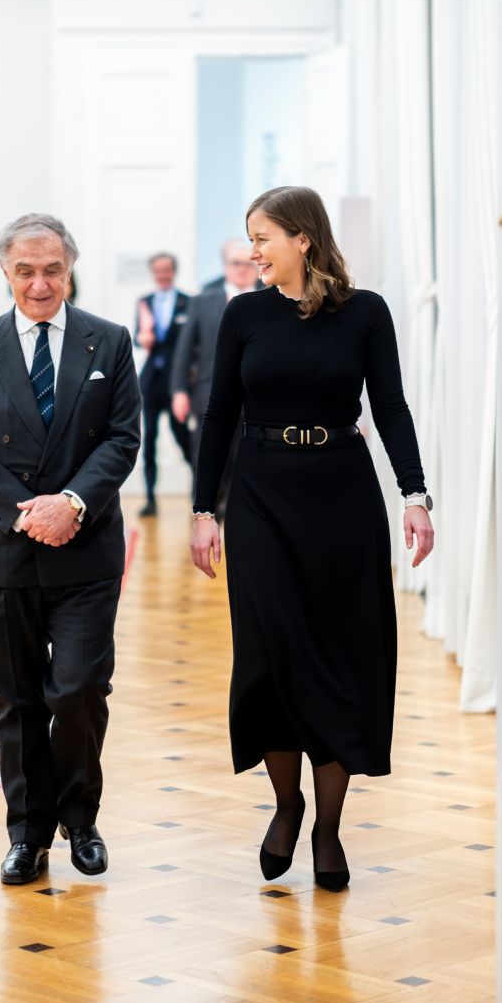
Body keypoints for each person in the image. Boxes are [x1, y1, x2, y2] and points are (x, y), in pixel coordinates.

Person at [188, 186, 434, 892]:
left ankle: (327, 824)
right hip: (262, 493)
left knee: (336, 658)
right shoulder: (243, 314)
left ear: (303, 238)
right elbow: (219, 412)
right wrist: (205, 508)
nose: (253, 251)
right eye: (250, 239)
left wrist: (415, 495)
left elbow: (389, 405)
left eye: (262, 237)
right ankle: (286, 802)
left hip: (342, 495)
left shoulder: (365, 312)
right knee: (269, 654)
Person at [0, 213, 142, 886]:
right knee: (19, 698)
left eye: (52, 268)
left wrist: (72, 504)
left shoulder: (108, 343)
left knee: (80, 686)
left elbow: (122, 437)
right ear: (5, 272)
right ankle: (28, 834)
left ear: (70, 268)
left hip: (85, 549)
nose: (39, 282)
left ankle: (80, 818)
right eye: (25, 270)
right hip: (2, 551)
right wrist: (30, 513)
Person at [170, 237, 258, 522]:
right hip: (209, 394)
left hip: (257, 398)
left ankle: (235, 514)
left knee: (245, 459)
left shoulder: (272, 298)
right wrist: (179, 391)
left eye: (248, 263)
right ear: (225, 266)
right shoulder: (203, 301)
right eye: (236, 263)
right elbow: (184, 349)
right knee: (206, 455)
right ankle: (205, 514)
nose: (242, 269)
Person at [133, 252, 193, 517]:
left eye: (166, 270)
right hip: (151, 381)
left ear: (173, 271)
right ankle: (150, 499)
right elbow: (139, 338)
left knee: (183, 437)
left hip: (177, 383)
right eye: (157, 270)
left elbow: (193, 342)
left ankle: (199, 492)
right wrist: (142, 335)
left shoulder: (189, 303)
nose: (162, 275)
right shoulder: (144, 303)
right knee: (149, 441)